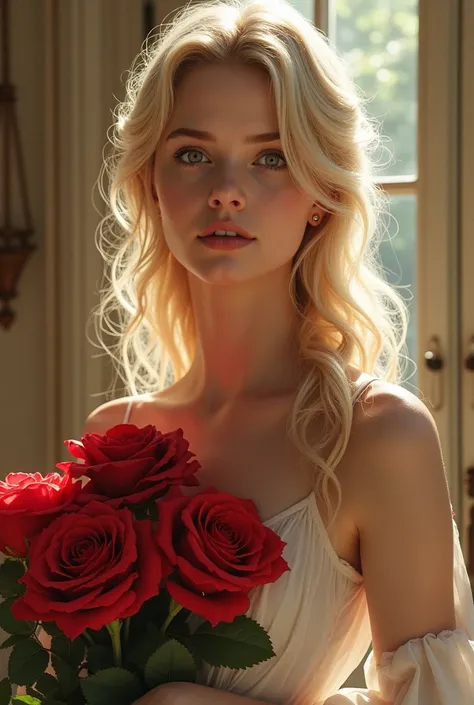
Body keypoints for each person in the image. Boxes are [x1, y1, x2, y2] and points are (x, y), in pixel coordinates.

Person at [84, 0, 474, 703]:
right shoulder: (112, 438)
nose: (227, 191)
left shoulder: (377, 434)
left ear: (322, 192)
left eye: (271, 157)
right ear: (151, 181)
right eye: (193, 154)